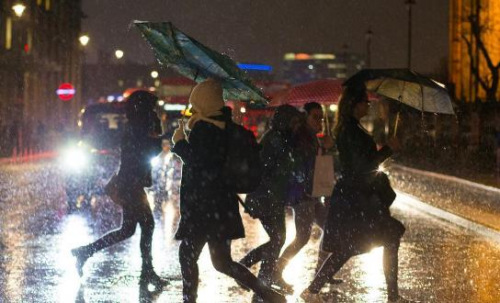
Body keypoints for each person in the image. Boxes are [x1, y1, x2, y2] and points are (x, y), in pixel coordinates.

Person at [171, 79, 286, 303]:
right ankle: (268, 294)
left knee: (187, 255)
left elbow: (202, 164)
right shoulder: (226, 127)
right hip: (222, 206)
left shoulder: (204, 128)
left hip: (203, 206)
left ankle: (189, 300)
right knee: (222, 262)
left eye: (196, 101)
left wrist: (180, 145)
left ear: (203, 101)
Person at [301, 83, 408, 302]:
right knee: (374, 240)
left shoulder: (351, 127)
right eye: (364, 102)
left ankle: (312, 290)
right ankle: (393, 297)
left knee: (352, 245)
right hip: (357, 198)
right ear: (354, 104)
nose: (368, 105)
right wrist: (388, 149)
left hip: (357, 196)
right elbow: (362, 166)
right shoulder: (350, 130)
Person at [71, 91, 169, 290]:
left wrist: (157, 129)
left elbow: (150, 147)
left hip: (131, 183)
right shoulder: (136, 129)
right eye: (151, 108)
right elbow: (150, 150)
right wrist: (159, 132)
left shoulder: (137, 127)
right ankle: (147, 272)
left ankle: (85, 252)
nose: (154, 112)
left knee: (129, 230)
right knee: (146, 226)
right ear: (143, 109)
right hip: (131, 184)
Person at [272, 102, 337, 293]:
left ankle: (322, 272)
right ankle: (277, 270)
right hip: (303, 195)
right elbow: (302, 166)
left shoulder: (312, 137)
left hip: (312, 194)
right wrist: (322, 149)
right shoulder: (302, 137)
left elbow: (317, 165)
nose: (320, 121)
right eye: (315, 117)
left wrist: (324, 148)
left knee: (330, 228)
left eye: (321, 118)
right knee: (302, 238)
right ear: (306, 117)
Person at [239, 104, 302, 289]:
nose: (296, 125)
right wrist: (294, 163)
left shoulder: (280, 138)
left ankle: (262, 276)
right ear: (286, 121)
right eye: (294, 121)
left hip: (271, 197)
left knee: (277, 239)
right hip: (266, 197)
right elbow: (275, 168)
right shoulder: (275, 139)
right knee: (278, 239)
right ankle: (249, 269)